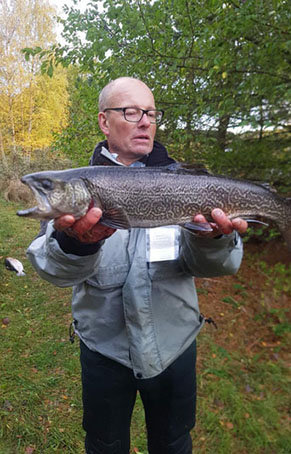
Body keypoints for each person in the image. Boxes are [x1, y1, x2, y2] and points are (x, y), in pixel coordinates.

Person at [26, 77, 248, 454]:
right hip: (103, 351)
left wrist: (213, 239)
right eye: (131, 112)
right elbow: (53, 272)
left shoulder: (187, 183)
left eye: (151, 113)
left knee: (174, 443)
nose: (145, 121)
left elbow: (220, 267)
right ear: (103, 121)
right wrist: (72, 243)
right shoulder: (79, 189)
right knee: (105, 444)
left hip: (175, 346)